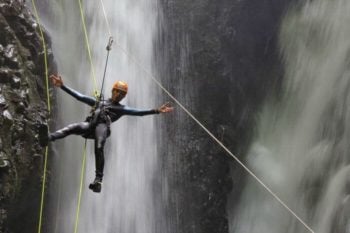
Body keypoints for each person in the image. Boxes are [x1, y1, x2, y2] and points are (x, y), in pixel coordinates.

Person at [47, 74, 173, 193]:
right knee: (71, 127)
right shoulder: (99, 102)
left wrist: (157, 111)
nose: (118, 94)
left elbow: (138, 112)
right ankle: (49, 137)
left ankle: (98, 180)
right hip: (90, 125)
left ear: (123, 97)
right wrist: (62, 86)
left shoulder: (122, 109)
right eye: (117, 91)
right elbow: (80, 97)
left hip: (102, 127)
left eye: (122, 93)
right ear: (112, 91)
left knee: (99, 146)